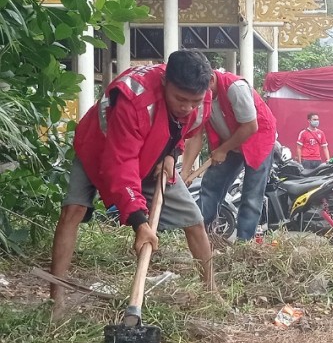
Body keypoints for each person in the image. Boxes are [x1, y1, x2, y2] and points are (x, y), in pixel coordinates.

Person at [50, 50, 215, 318]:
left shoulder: (199, 101)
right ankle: (55, 299)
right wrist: (140, 222)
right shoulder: (135, 99)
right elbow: (121, 164)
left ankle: (211, 293)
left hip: (153, 156)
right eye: (180, 99)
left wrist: (172, 155)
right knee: (73, 210)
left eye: (194, 101)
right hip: (99, 147)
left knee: (194, 220)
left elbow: (182, 130)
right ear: (165, 83)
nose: (187, 107)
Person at [182, 60, 277, 242]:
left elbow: (250, 126)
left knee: (251, 195)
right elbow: (196, 135)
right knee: (210, 186)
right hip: (229, 142)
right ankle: (200, 235)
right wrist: (185, 171)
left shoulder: (236, 88)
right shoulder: (200, 94)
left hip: (257, 139)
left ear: (210, 79)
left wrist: (223, 150)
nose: (195, 100)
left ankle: (244, 243)